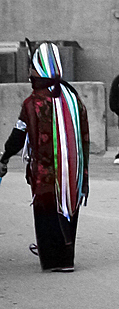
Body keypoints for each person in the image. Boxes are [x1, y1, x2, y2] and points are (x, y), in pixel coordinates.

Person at [0, 41, 89, 272]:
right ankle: (67, 258)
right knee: (69, 209)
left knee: (46, 213)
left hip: (45, 174)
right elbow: (85, 137)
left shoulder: (33, 104)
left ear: (38, 69)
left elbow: (19, 135)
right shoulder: (74, 99)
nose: (29, 72)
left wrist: (5, 155)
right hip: (73, 172)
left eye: (31, 67)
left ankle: (53, 260)